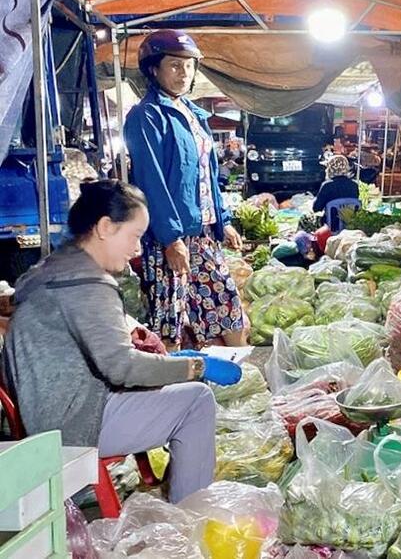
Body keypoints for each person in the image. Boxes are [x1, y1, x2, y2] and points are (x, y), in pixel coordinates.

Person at [0, 180, 242, 502]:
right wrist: (197, 366)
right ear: (104, 227)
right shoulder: (88, 284)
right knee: (196, 401)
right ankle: (190, 516)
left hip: (45, 412)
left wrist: (169, 364)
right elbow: (122, 368)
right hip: (74, 425)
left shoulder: (49, 269)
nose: (137, 249)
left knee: (173, 385)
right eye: (134, 236)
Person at [124, 30, 246, 350]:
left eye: (189, 66)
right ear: (154, 69)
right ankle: (175, 388)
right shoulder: (145, 116)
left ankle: (239, 379)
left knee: (227, 306)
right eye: (174, 65)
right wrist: (170, 238)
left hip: (204, 232)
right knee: (172, 318)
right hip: (172, 237)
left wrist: (224, 219)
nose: (183, 73)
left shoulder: (195, 114)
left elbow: (208, 173)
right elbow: (150, 181)